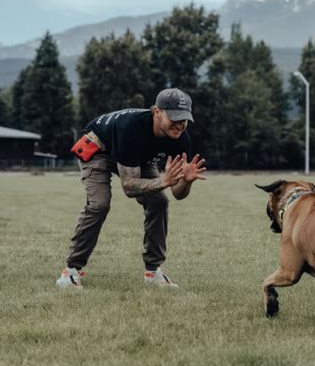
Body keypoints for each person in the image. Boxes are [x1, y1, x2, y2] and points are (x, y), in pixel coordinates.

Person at [56, 88, 206, 289]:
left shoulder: (181, 139)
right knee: (99, 204)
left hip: (138, 158)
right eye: (174, 117)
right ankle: (71, 271)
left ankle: (153, 272)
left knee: (159, 202)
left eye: (184, 119)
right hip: (99, 150)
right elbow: (129, 187)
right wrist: (163, 181)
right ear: (157, 112)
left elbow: (177, 194)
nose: (179, 124)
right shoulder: (131, 128)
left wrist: (186, 181)